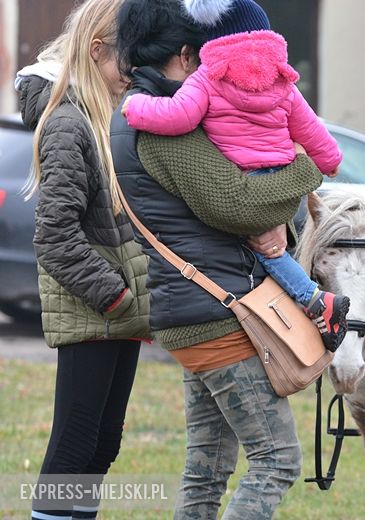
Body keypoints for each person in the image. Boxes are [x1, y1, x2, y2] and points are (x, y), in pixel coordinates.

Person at [112, 0, 325, 517]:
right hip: (215, 313)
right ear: (186, 54)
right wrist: (306, 166)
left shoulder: (147, 110)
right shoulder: (164, 125)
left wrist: (272, 223)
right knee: (277, 461)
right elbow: (237, 202)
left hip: (198, 308)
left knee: (207, 468)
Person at [121, 0, 349, 351]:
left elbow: (178, 116)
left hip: (247, 181)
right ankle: (315, 302)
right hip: (280, 173)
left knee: (265, 250)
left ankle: (315, 300)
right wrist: (328, 162)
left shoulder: (208, 79)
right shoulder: (284, 83)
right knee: (272, 250)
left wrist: (137, 108)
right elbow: (313, 131)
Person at [15, 1, 151, 519]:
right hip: (97, 309)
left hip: (118, 314)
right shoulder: (69, 124)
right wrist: (116, 295)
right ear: (97, 51)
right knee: (73, 448)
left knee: (100, 447)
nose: (132, 77)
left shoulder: (105, 120)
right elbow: (54, 236)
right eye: (128, 64)